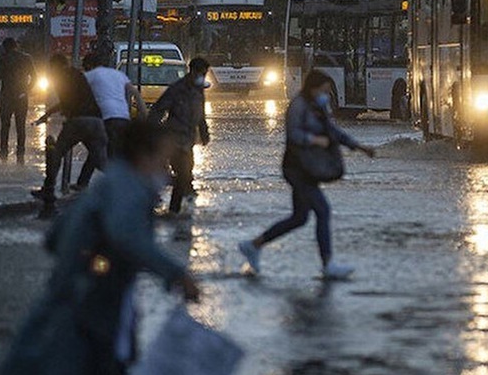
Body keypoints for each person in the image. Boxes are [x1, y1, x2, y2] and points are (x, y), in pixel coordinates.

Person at [0, 120, 200, 375]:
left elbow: (54, 237)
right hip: (93, 313)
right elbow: (125, 235)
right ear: (143, 157)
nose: (166, 173)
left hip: (71, 307)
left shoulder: (108, 183)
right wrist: (177, 274)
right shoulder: (130, 188)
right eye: (163, 161)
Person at [238, 69, 375, 279]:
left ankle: (253, 245)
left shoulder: (318, 107)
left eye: (328, 92)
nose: (326, 95)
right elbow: (293, 134)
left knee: (299, 218)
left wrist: (358, 146)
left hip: (309, 168)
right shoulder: (298, 106)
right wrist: (314, 140)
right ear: (313, 88)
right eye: (324, 90)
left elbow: (333, 131)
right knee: (323, 210)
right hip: (296, 168)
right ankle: (328, 264)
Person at [31, 54, 107, 202]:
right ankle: (131, 187)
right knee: (101, 160)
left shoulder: (61, 78)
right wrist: (47, 114)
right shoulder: (78, 74)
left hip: (78, 121)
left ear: (55, 66)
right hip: (97, 121)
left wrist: (64, 117)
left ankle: (48, 189)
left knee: (57, 153)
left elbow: (67, 102)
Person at [148, 57, 211, 215]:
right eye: (201, 73)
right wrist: (152, 132)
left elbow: (201, 115)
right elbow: (158, 109)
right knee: (182, 173)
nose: (202, 76)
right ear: (193, 71)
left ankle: (180, 207)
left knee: (186, 174)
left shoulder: (199, 90)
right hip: (173, 140)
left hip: (188, 141)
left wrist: (204, 133)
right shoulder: (177, 89)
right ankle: (172, 209)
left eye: (205, 73)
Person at [74, 54, 148, 189]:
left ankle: (124, 184)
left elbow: (75, 96)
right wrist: (144, 114)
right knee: (100, 150)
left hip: (107, 119)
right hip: (123, 118)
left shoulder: (90, 76)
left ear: (89, 66)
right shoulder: (118, 74)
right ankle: (82, 183)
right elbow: (135, 94)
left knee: (105, 152)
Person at [0, 38, 36, 164]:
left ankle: (4, 151)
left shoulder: (2, 59)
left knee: (5, 125)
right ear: (16, 46)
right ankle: (20, 152)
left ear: (5, 47)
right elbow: (34, 77)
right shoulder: (26, 58)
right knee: (20, 125)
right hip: (21, 96)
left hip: (6, 96)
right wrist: (26, 90)